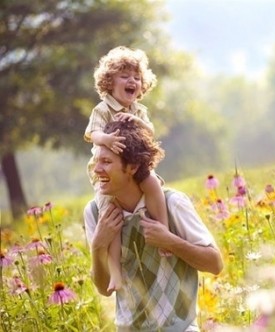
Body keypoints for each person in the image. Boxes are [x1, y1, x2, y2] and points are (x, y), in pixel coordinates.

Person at [83, 120, 223, 331]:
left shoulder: (172, 203)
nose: (97, 169)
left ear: (132, 167)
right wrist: (97, 246)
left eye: (106, 162)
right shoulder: (95, 213)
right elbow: (105, 289)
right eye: (96, 161)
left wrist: (169, 241)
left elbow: (215, 264)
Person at [84, 46, 171, 292]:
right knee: (110, 217)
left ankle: (163, 231)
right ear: (109, 82)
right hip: (106, 173)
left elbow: (151, 133)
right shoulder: (102, 109)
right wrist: (107, 141)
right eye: (124, 76)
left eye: (136, 77)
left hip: (136, 166)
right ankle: (116, 273)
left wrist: (139, 122)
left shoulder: (139, 111)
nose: (132, 81)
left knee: (153, 184)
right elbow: (92, 133)